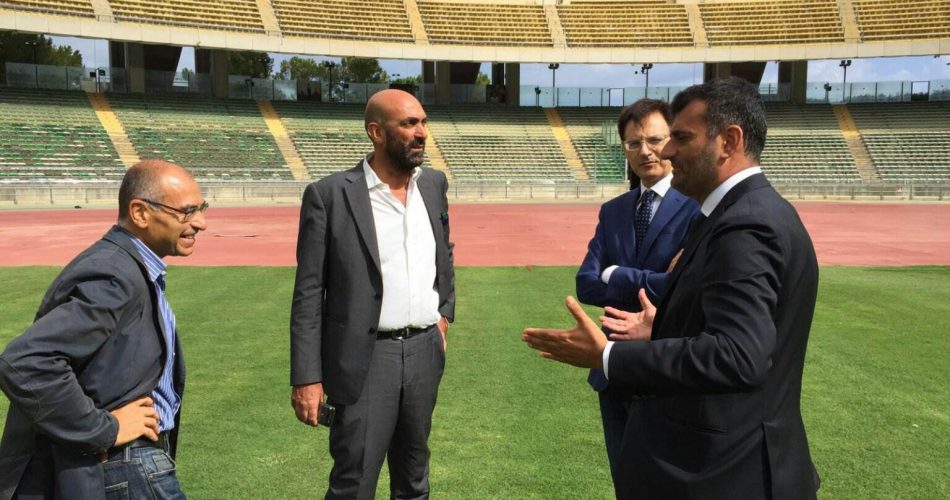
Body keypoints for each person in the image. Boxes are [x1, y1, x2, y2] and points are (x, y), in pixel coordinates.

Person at [523, 77, 821, 500]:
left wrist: (608, 355)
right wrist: (664, 327)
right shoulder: (741, 213)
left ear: (729, 141)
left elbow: (739, 356)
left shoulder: (745, 225)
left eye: (680, 138)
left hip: (726, 471)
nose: (665, 152)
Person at [0, 160, 208, 499]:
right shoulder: (114, 274)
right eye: (186, 212)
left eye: (201, 209)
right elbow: (26, 361)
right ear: (140, 213)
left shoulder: (129, 268)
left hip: (128, 463)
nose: (200, 222)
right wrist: (104, 429)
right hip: (121, 465)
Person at [290, 89, 455, 500]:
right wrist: (307, 377)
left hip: (424, 352)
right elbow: (308, 292)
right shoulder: (329, 195)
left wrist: (444, 314)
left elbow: (444, 252)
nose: (422, 133)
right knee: (353, 482)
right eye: (409, 124)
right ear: (376, 132)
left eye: (423, 122)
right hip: (364, 360)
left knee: (414, 479)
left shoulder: (433, 184)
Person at [575, 99, 699, 484]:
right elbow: (586, 283)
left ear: (672, 142)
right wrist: (653, 280)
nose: (645, 151)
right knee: (625, 481)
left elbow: (685, 286)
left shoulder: (697, 209)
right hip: (613, 370)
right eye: (633, 143)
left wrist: (616, 274)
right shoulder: (613, 210)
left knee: (669, 486)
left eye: (654, 140)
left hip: (666, 369)